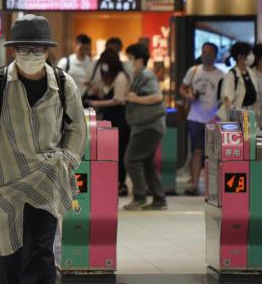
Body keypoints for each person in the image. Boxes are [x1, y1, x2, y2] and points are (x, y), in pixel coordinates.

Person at [0, 15, 88, 284]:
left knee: (40, 249)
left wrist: (66, 161)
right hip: (5, 179)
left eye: (37, 48)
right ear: (13, 50)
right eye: (24, 48)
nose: (31, 54)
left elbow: (77, 127)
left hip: (46, 178)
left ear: (47, 51)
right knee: (10, 251)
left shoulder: (63, 84)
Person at [123, 43, 168, 211]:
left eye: (131, 58)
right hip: (147, 126)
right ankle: (159, 199)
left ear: (140, 60)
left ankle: (140, 197)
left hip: (149, 126)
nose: (129, 62)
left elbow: (157, 97)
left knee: (131, 159)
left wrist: (134, 99)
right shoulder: (138, 75)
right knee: (147, 164)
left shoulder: (146, 75)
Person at [179, 42, 225, 196]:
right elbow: (182, 88)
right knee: (196, 151)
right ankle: (194, 184)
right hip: (195, 116)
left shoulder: (221, 75)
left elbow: (224, 99)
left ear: (216, 55)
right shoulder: (194, 71)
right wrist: (188, 96)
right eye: (204, 51)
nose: (206, 55)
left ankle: (213, 186)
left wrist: (218, 116)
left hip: (213, 118)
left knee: (213, 153)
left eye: (210, 52)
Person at [87, 50, 130, 197]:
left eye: (105, 63)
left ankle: (120, 183)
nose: (103, 66)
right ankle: (111, 181)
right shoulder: (109, 79)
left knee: (119, 152)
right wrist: (96, 91)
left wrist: (97, 103)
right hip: (109, 118)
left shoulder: (121, 77)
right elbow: (107, 96)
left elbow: (118, 100)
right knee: (109, 151)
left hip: (119, 118)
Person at [220, 42, 259, 115]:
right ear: (239, 56)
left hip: (250, 113)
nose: (252, 56)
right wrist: (241, 117)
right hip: (237, 115)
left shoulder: (250, 72)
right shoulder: (231, 75)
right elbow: (227, 101)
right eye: (249, 53)